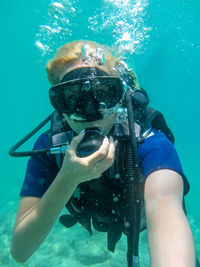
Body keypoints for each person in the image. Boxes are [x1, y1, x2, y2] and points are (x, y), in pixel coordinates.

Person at [10, 40, 196, 266]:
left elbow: (166, 205)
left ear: (120, 96)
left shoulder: (149, 142)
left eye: (103, 93)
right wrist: (67, 179)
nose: (89, 110)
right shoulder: (50, 146)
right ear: (59, 105)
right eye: (71, 97)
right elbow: (19, 250)